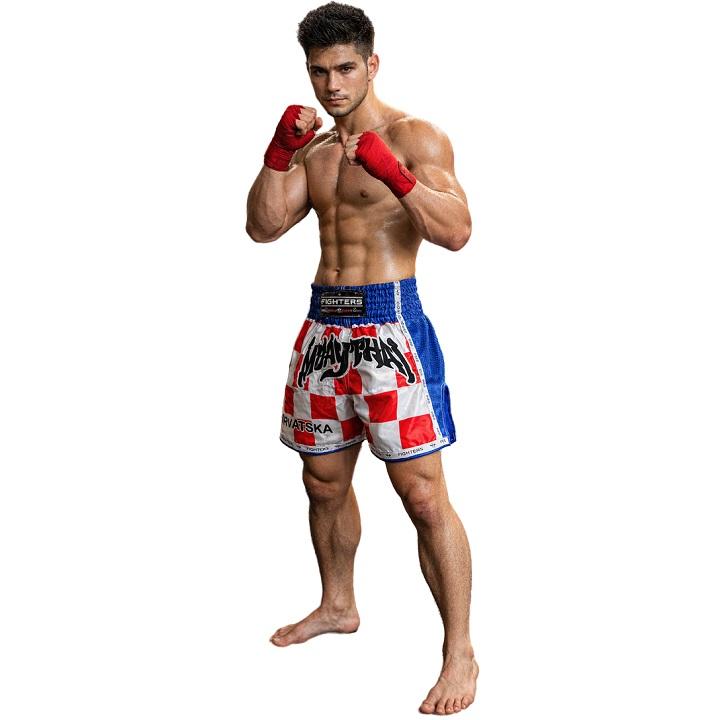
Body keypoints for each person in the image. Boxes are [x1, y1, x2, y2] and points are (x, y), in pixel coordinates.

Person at [246, 2, 478, 714]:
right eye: (319, 72)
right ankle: (338, 604)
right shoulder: (314, 151)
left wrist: (396, 177)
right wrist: (278, 155)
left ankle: (460, 652)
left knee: (423, 495)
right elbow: (262, 226)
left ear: (372, 64)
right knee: (322, 483)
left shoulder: (415, 137)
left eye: (346, 68)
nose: (333, 85)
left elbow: (458, 231)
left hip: (390, 326)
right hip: (323, 328)